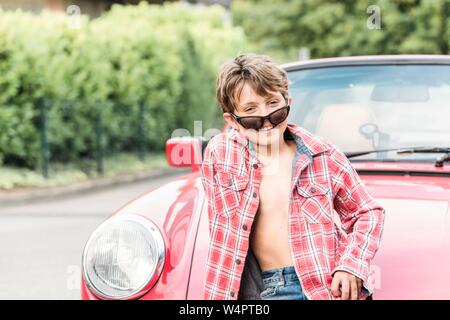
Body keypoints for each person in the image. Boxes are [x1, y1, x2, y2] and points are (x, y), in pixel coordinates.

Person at [200, 53, 385, 300]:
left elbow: (367, 212)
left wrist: (351, 264)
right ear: (232, 120)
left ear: (288, 101)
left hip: (326, 287)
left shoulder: (323, 155)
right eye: (251, 111)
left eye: (273, 105)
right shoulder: (221, 153)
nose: (266, 120)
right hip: (267, 288)